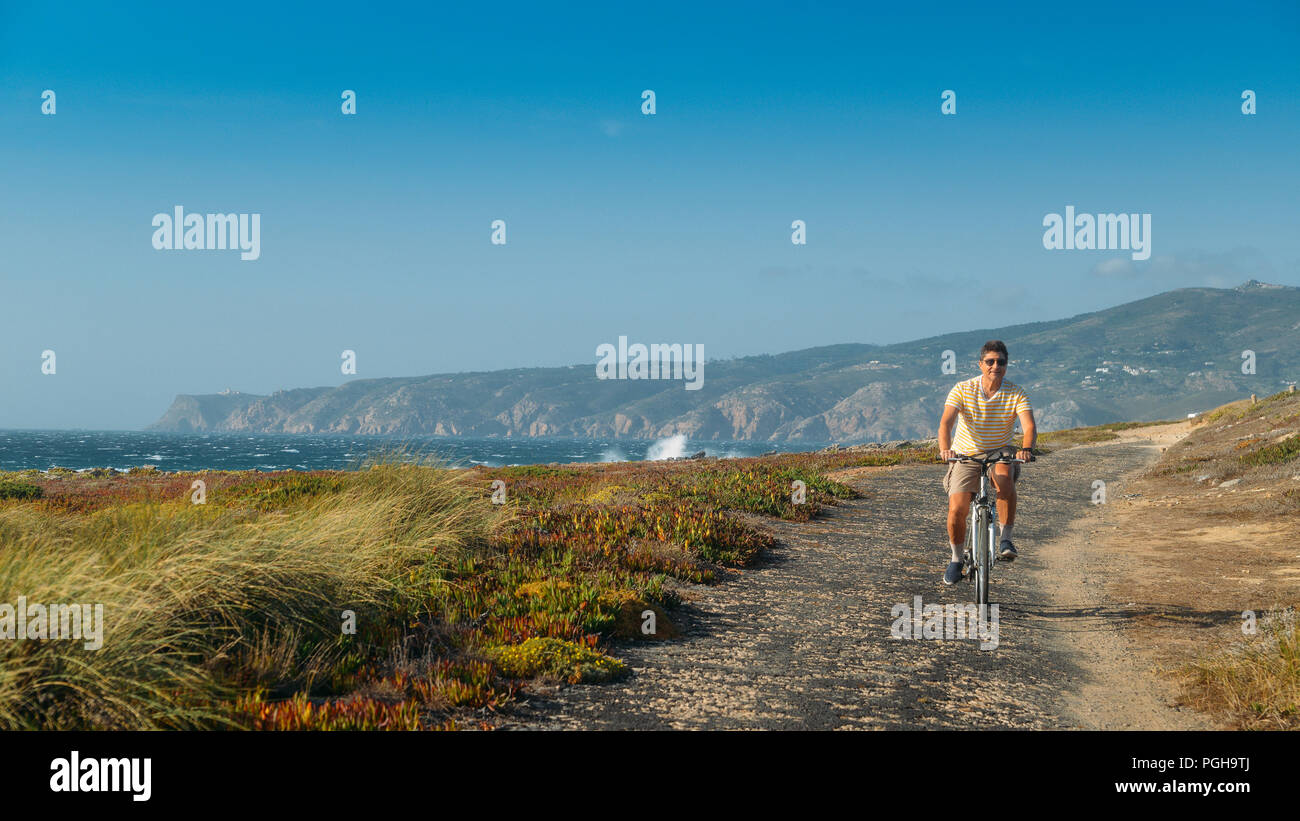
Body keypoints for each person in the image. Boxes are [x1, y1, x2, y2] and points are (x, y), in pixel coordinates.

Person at [936, 340, 1036, 585]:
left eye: (1000, 362)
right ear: (980, 364)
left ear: (1006, 365)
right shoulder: (963, 388)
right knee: (957, 509)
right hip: (965, 454)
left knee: (1004, 480)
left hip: (999, 451)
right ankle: (956, 559)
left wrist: (1026, 449)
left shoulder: (1016, 392)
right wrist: (945, 450)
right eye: (990, 361)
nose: (995, 366)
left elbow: (1029, 426)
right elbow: (946, 423)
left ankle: (1005, 539)